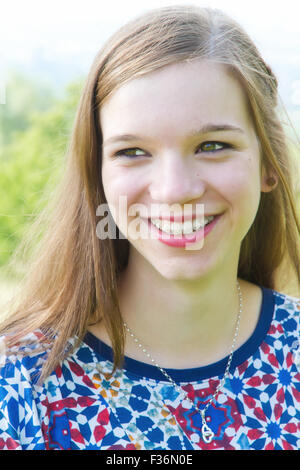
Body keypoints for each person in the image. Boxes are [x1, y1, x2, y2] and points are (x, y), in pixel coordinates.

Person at [0, 5, 299, 451]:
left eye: (213, 145)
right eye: (133, 152)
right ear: (97, 174)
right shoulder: (20, 383)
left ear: (267, 165)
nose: (174, 190)